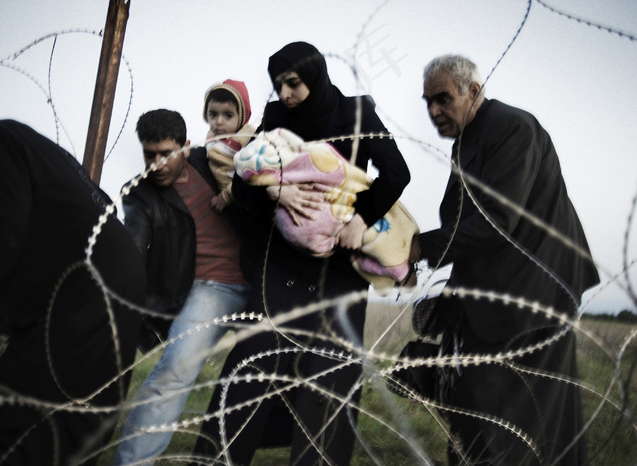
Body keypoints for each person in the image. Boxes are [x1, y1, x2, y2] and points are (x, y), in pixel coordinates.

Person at [193, 41, 410, 466]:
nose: (286, 94)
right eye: (279, 85)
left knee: (329, 378)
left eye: (293, 83)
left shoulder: (357, 113)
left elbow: (397, 171)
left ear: (315, 76)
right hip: (283, 266)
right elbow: (242, 182)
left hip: (340, 271)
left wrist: (359, 220)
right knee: (249, 366)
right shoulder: (276, 118)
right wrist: (274, 188)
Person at [409, 55, 600, 465]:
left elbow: (495, 222)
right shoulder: (469, 139)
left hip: (533, 300)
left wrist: (419, 249)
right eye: (427, 102)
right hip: (498, 299)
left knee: (517, 426)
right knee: (479, 417)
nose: (433, 111)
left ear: (473, 91)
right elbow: (468, 227)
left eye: (442, 99)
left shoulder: (512, 128)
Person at [0, 108, 145, 465]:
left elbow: (1, 231)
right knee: (77, 413)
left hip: (88, 287)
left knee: (22, 409)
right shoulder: (22, 142)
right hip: (113, 278)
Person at [113, 108, 254, 465]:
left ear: (186, 147)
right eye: (150, 155)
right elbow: (134, 241)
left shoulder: (215, 161)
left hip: (264, 278)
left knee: (277, 375)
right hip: (210, 289)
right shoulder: (141, 193)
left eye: (167, 154)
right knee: (174, 369)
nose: (158, 164)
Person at [203, 79, 256, 213]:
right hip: (228, 204)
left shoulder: (247, 137)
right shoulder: (211, 137)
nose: (219, 122)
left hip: (247, 198)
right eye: (213, 114)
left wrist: (226, 196)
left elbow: (253, 173)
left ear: (242, 117)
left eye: (228, 115)